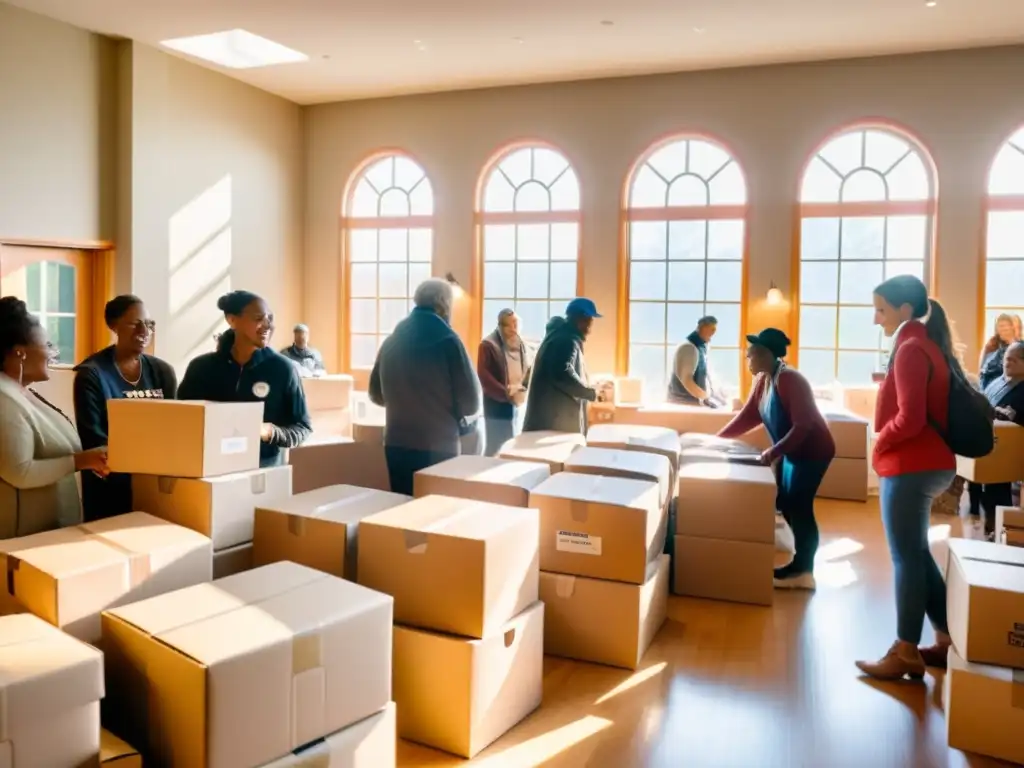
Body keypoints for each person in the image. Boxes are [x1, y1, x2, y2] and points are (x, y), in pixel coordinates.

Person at [856, 275, 958, 681]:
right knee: (916, 554)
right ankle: (951, 640)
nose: (875, 318)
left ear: (903, 310)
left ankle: (904, 651)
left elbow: (910, 419)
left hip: (912, 464)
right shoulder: (926, 343)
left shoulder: (911, 348)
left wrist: (881, 440)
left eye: (881, 309)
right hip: (929, 461)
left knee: (905, 558)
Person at [717, 328, 835, 590]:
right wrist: (717, 440)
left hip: (812, 452)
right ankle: (798, 558)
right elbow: (749, 416)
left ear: (765, 354)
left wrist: (772, 453)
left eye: (751, 356)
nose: (748, 361)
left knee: (800, 507)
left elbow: (803, 426)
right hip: (791, 450)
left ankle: (804, 571)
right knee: (784, 500)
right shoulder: (763, 380)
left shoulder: (791, 380)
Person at [0, 297, 108, 537]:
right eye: (47, 344)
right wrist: (80, 461)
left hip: (47, 533)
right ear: (21, 352)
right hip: (22, 541)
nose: (53, 352)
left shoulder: (22, 392)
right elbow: (19, 471)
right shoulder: (3, 399)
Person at [369, 278, 481, 494]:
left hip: (396, 442)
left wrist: (402, 402)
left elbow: (375, 394)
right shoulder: (449, 341)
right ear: (444, 304)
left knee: (401, 512)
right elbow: (471, 403)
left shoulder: (391, 341)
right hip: (438, 444)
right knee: (434, 515)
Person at [178, 291, 311, 467]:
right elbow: (180, 421)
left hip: (263, 471)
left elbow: (303, 428)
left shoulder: (283, 369)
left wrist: (270, 432)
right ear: (232, 320)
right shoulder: (201, 368)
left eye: (269, 318)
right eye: (258, 318)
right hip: (210, 467)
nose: (267, 325)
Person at [73, 295, 178, 521]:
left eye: (149, 324)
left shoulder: (163, 372)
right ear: (113, 325)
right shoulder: (91, 374)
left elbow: (175, 426)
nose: (143, 330)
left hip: (155, 483)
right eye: (134, 323)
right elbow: (94, 439)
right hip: (110, 488)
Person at [966, 340, 1024, 538]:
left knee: (997, 499)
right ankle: (981, 529)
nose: (1008, 362)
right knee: (979, 498)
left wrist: (1009, 416)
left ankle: (997, 534)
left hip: (1004, 455)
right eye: (1007, 358)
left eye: (1014, 360)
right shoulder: (998, 381)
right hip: (983, 447)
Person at [522, 298, 601, 434]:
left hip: (549, 419)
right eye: (588, 320)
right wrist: (589, 393)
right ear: (578, 319)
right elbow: (562, 375)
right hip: (555, 421)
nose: (590, 325)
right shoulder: (566, 340)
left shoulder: (557, 337)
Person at [478, 309, 533, 456]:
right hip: (496, 402)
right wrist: (505, 392)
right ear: (501, 326)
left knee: (510, 439)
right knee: (496, 443)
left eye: (516, 324)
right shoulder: (488, 345)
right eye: (510, 325)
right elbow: (484, 377)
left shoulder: (519, 342)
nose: (514, 329)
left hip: (514, 400)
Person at [668, 315, 725, 407]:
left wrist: (716, 395)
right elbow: (687, 380)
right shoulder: (688, 348)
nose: (714, 332)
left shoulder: (701, 347)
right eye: (712, 329)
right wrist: (706, 397)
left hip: (691, 404)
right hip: (682, 404)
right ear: (701, 328)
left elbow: (707, 375)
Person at [978, 313, 1021, 390]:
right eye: (1000, 326)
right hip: (990, 383)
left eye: (1005, 326)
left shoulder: (1018, 345)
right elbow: (982, 369)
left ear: (1012, 327)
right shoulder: (992, 345)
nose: (1003, 330)